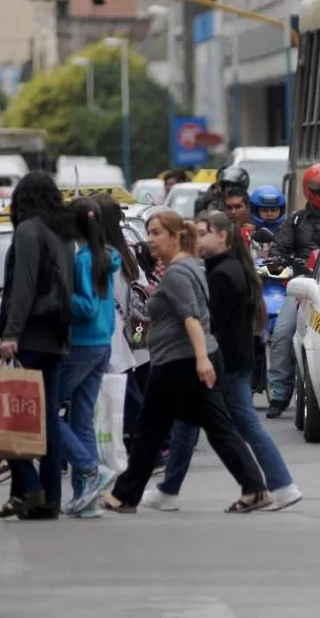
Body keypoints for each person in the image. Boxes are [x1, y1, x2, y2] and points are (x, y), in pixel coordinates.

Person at [102, 211, 271, 514]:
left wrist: (202, 360)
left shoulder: (179, 272)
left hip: (182, 362)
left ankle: (126, 494)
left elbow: (191, 316)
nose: (150, 240)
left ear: (175, 236)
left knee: (156, 429)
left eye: (156, 233)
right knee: (167, 429)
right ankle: (128, 494)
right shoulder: (190, 265)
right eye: (149, 233)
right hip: (186, 359)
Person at [141, 211, 302, 512]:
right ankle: (168, 490)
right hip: (226, 362)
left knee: (242, 424)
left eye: (203, 233)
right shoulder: (222, 268)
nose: (198, 239)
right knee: (186, 424)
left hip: (224, 364)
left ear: (222, 236)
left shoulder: (224, 274)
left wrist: (201, 357)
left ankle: (281, 485)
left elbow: (209, 323)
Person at [0, 171, 75, 520]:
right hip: (56, 339)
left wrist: (10, 333)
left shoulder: (29, 230)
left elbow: (24, 286)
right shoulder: (63, 234)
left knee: (9, 416)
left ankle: (28, 486)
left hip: (29, 336)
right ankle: (46, 499)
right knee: (44, 420)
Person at [265, 163, 320, 419]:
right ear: (311, 191)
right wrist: (277, 258)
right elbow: (278, 247)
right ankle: (279, 394)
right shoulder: (296, 220)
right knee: (281, 335)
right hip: (304, 287)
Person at [58, 198, 121, 518]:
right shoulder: (106, 256)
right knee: (81, 418)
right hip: (101, 345)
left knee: (44, 412)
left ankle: (89, 468)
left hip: (82, 346)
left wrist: (59, 293)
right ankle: (88, 501)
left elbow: (85, 307)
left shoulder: (83, 260)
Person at [92, 193, 154, 466]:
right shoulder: (126, 251)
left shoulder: (102, 256)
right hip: (137, 327)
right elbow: (143, 288)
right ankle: (148, 445)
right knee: (136, 385)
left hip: (115, 332)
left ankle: (150, 447)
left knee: (127, 394)